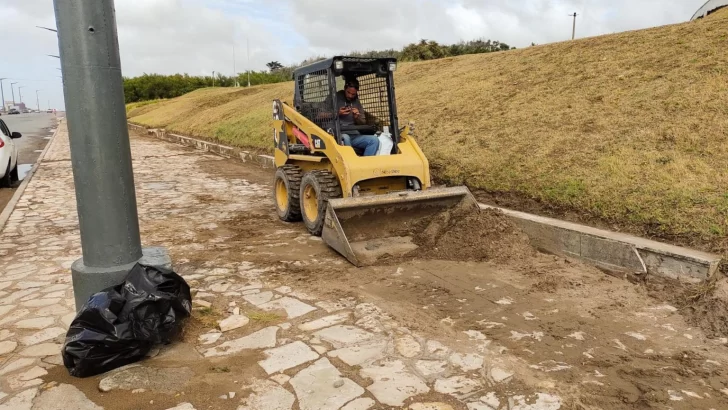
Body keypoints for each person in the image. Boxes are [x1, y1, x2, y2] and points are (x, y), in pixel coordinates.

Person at [336, 78, 379, 156]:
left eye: (353, 94)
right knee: (345, 138)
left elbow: (363, 122)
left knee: (374, 140)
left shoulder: (357, 102)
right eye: (348, 92)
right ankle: (351, 162)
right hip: (338, 134)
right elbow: (320, 115)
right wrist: (337, 113)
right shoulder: (335, 98)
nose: (350, 96)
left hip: (354, 135)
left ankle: (365, 165)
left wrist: (357, 117)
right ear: (345, 88)